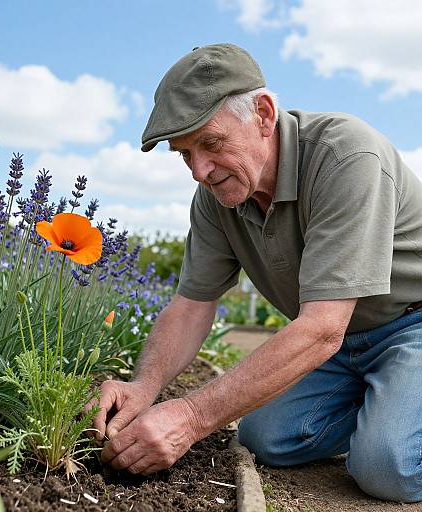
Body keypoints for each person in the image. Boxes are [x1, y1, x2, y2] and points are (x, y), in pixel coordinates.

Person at [92, 43, 422, 502]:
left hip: (412, 325)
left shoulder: (345, 157)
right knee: (266, 439)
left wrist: (188, 417)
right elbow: (190, 305)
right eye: (184, 154)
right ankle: (393, 406)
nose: (199, 171)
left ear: (264, 115)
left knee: (389, 468)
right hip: (345, 343)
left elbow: (322, 329)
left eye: (210, 142)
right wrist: (145, 386)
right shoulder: (217, 194)